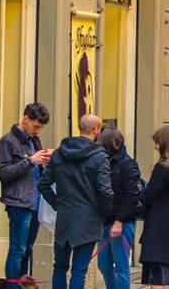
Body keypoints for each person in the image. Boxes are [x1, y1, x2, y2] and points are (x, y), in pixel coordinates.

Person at [39, 113, 113, 289]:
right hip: (89, 220)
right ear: (96, 130)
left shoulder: (59, 154)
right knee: (79, 270)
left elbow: (43, 184)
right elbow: (105, 190)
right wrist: (103, 213)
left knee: (60, 267)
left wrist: (58, 203)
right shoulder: (99, 157)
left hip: (65, 218)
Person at [0, 101, 51, 281]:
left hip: (35, 202)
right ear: (25, 119)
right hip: (18, 203)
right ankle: (12, 285)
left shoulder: (34, 140)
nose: (38, 131)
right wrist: (31, 161)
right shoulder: (7, 142)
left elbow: (35, 170)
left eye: (41, 128)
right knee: (17, 249)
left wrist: (44, 162)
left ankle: (22, 283)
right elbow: (4, 173)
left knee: (28, 249)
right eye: (36, 126)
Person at [138, 126, 169, 289]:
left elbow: (148, 196)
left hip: (159, 225)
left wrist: (140, 191)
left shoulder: (162, 168)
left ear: (165, 144)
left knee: (158, 275)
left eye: (157, 143)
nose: (155, 147)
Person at [96, 127, 144, 289]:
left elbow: (131, 195)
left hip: (122, 223)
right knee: (103, 264)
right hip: (104, 221)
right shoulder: (103, 163)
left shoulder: (127, 164)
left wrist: (119, 222)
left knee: (121, 266)